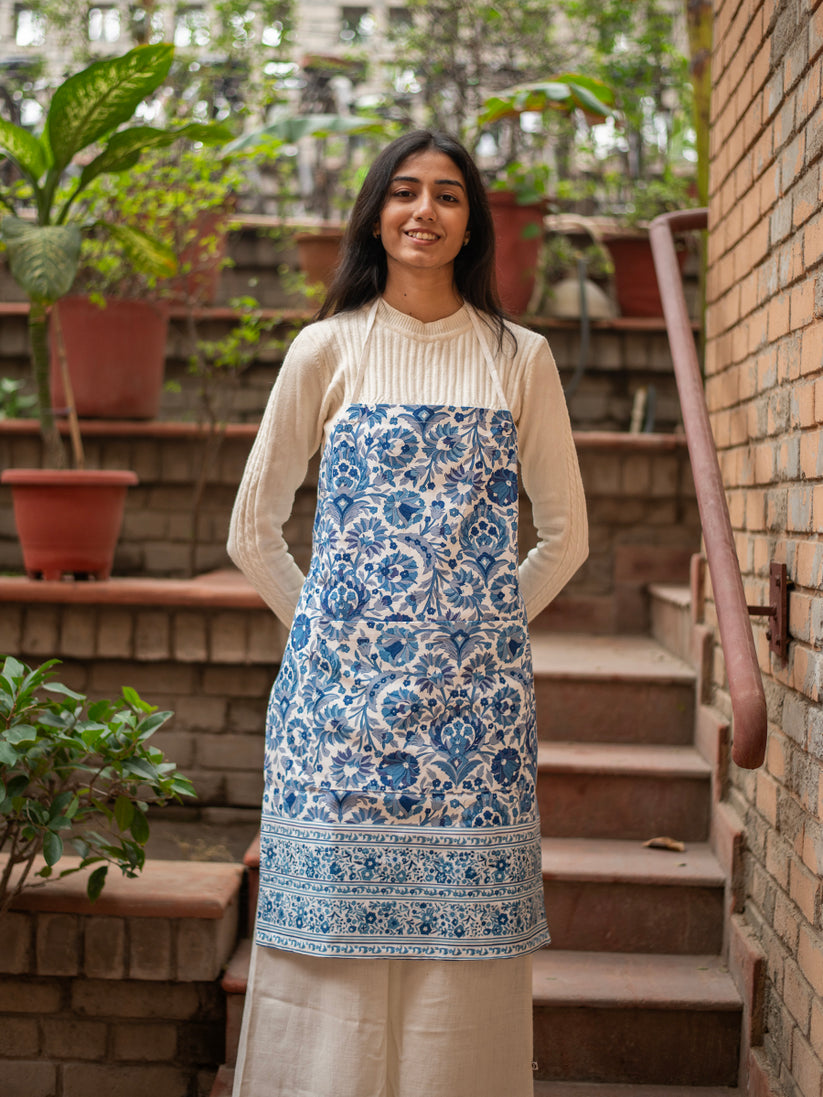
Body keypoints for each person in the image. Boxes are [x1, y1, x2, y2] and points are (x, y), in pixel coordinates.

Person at [227, 129, 588, 1097]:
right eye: (403, 192)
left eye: (448, 195)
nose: (423, 210)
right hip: (336, 715)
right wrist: (329, 637)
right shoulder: (325, 347)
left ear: (471, 223)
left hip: (475, 721)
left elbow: (565, 536)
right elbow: (252, 529)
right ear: (376, 214)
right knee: (329, 943)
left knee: (460, 972)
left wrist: (478, 629)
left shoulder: (520, 358)